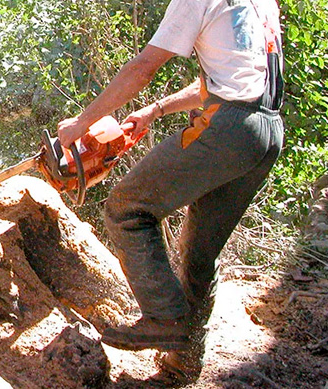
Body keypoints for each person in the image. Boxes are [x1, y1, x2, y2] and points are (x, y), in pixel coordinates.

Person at [56, 0, 284, 381]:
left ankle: (164, 318)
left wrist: (83, 123)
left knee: (127, 208)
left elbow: (143, 68)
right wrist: (155, 110)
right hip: (267, 131)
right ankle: (183, 364)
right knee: (199, 252)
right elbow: (232, 78)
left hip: (229, 128)